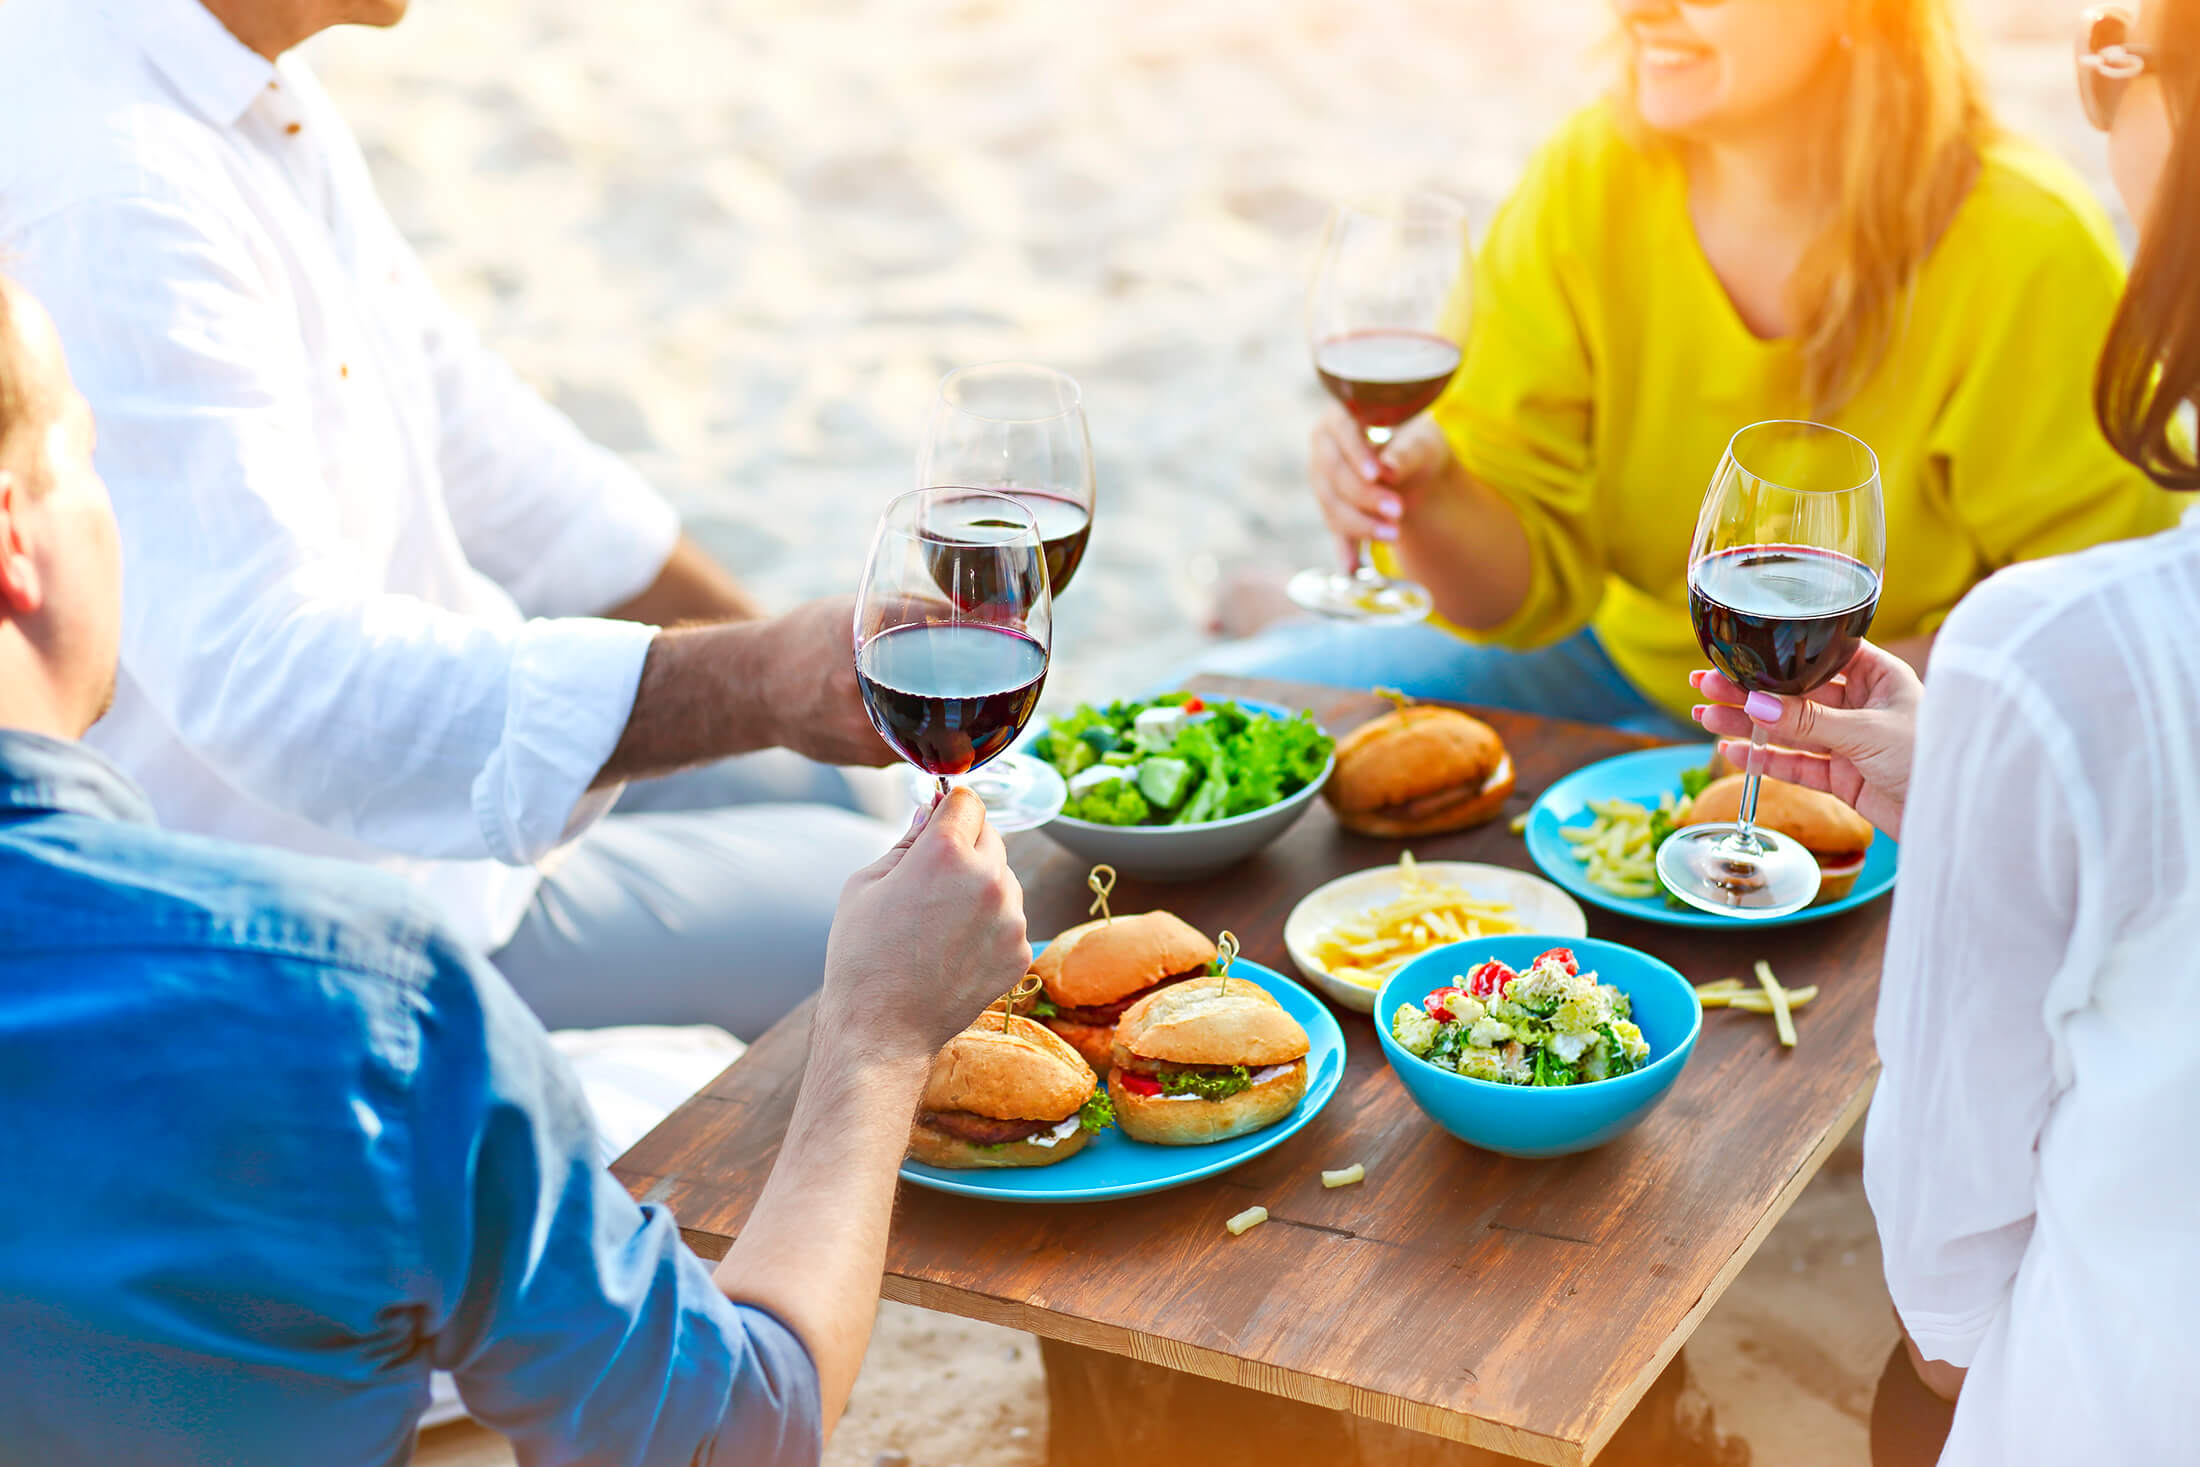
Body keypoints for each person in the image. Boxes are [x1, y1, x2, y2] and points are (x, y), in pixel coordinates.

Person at [0, 269, 1033, 1465]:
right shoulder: (350, 1007)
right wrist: (875, 1034)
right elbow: (734, 1430)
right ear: (17, 539)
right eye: (88, 456)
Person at [0, 0, 903, 1040]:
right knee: (885, 923)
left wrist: (789, 660)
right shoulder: (111, 185)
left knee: (848, 799)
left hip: (423, 782)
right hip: (314, 912)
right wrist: (752, 681)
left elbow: (478, 437)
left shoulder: (230, 66)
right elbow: (277, 684)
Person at [1695, 4, 2199, 1461]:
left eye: (2120, 57)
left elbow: (1944, 1290)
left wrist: (2011, 758)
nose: (2102, 110)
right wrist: (1967, 781)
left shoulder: (2059, 655)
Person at [1201, 0, 2177, 736]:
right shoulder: (1592, 177)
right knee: (1216, 702)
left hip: (1879, 719)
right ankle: (1268, 608)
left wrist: (1810, 718)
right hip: (1611, 659)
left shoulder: (2026, 248)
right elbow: (1516, 598)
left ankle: (1263, 600)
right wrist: (1429, 491)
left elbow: (2092, 631)